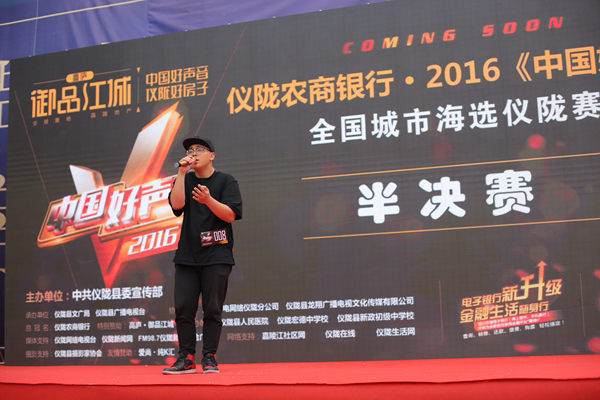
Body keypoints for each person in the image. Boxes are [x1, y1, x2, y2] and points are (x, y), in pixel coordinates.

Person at [162, 135, 242, 374]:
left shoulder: (226, 181)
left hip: (217, 255)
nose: (193, 153)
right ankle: (186, 357)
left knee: (212, 309)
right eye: (190, 150)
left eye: (199, 149)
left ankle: (209, 357)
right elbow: (177, 206)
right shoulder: (184, 179)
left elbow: (230, 215)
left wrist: (208, 200)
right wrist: (181, 173)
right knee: (183, 309)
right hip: (187, 256)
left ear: (212, 156)